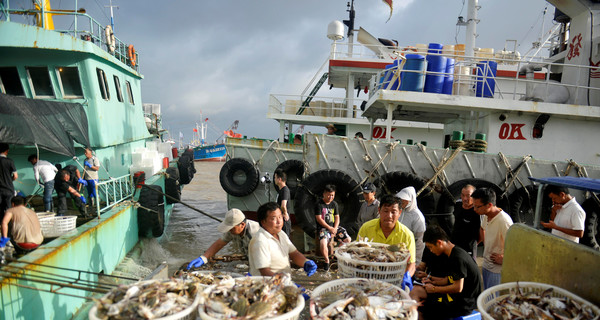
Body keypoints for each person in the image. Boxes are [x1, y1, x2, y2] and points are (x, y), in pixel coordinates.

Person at [410, 225, 482, 320]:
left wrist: (434, 289)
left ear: (439, 242)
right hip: (455, 297)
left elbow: (458, 287)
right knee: (416, 291)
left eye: (430, 247)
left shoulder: (457, 258)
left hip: (462, 303)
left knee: (422, 306)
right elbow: (448, 280)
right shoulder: (452, 253)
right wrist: (431, 279)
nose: (430, 251)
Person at [248, 202, 317, 276]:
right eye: (274, 218)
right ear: (263, 222)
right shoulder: (260, 240)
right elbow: (265, 272)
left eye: (280, 217)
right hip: (267, 285)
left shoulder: (281, 234)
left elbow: (294, 254)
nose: (279, 222)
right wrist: (283, 281)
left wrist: (305, 262)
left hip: (282, 283)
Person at [357, 194, 417, 276]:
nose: (389, 216)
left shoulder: (407, 235)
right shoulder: (366, 228)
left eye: (393, 212)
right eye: (385, 211)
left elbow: (411, 264)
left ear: (399, 213)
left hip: (394, 276)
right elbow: (357, 253)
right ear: (379, 210)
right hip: (368, 274)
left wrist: (406, 277)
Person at [187, 208, 260, 269]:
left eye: (231, 228)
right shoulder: (233, 230)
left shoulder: (255, 233)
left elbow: (263, 255)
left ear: (242, 225)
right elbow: (219, 244)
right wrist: (203, 258)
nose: (229, 230)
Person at [472, 188, 513, 289]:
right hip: (486, 265)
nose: (475, 209)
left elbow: (517, 247)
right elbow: (482, 229)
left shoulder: (504, 221)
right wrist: (487, 244)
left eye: (477, 207)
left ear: (489, 205)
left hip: (497, 270)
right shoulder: (486, 214)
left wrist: (504, 258)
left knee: (494, 301)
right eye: (474, 206)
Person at [315, 184, 351, 271]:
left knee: (348, 240)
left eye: (332, 195)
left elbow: (337, 217)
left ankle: (338, 255)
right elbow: (319, 219)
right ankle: (327, 261)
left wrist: (335, 228)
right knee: (323, 243)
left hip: (334, 227)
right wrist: (329, 228)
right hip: (323, 228)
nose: (330, 197)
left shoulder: (334, 204)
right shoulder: (319, 204)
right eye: (329, 195)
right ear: (324, 194)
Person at [397, 186, 426, 264]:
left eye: (404, 199)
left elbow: (420, 241)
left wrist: (416, 261)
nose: (401, 201)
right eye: (400, 199)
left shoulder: (417, 217)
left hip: (409, 254)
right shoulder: (399, 211)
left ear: (410, 200)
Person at [450, 184, 481, 258]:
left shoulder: (478, 211)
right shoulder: (458, 205)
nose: (465, 198)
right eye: (463, 195)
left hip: (469, 249)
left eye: (468, 196)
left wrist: (474, 244)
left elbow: (483, 232)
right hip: (455, 245)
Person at [0, 143, 17, 220]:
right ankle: (8, 225)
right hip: (8, 189)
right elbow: (15, 176)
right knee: (9, 209)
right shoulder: (10, 161)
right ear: (7, 151)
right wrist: (10, 179)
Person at [274, 169, 291, 236]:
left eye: (275, 177)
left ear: (279, 179)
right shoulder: (281, 190)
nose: (274, 179)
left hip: (284, 222)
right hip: (280, 221)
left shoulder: (285, 190)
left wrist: (285, 213)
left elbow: (283, 205)